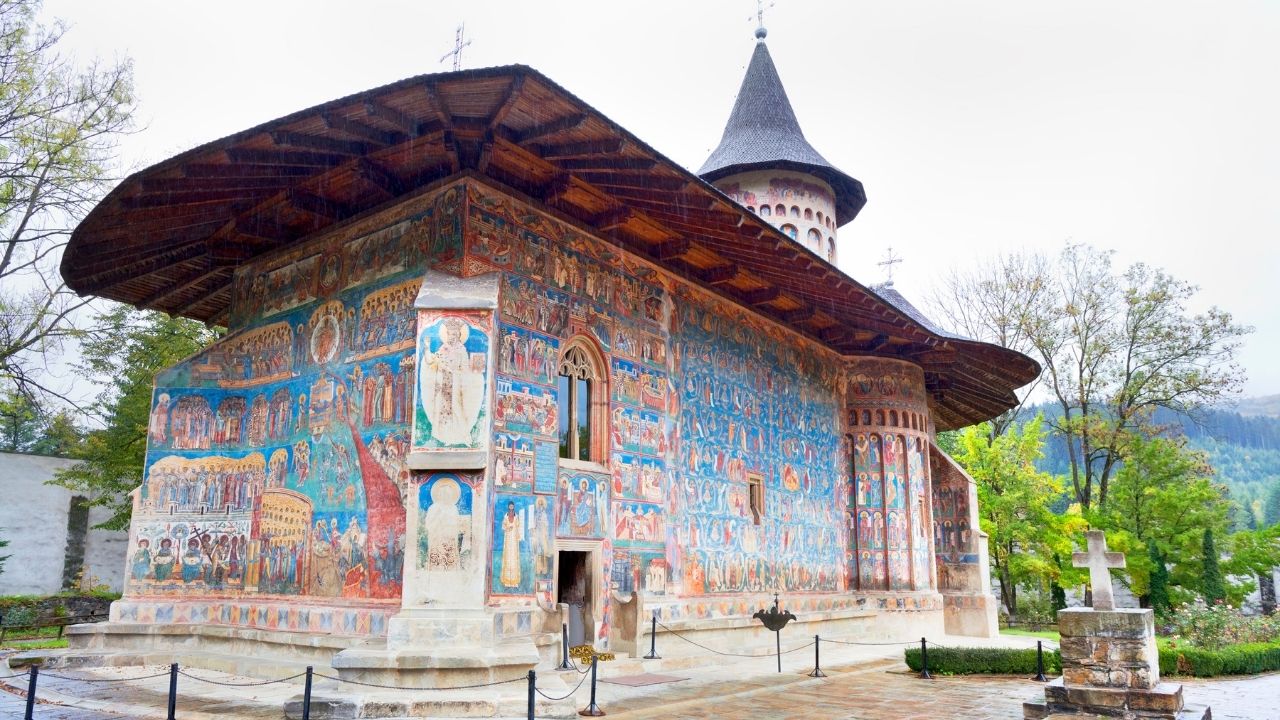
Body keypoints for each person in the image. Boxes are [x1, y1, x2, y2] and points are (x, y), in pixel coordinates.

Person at [500, 501, 523, 588]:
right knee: (508, 557)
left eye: (512, 506)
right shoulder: (505, 516)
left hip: (514, 539)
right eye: (510, 506)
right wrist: (507, 528)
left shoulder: (516, 516)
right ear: (508, 507)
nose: (511, 507)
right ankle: (507, 581)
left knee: (513, 557)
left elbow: (519, 526)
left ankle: (514, 581)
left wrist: (518, 535)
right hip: (508, 538)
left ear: (513, 507)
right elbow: (503, 526)